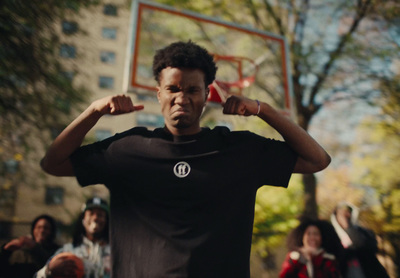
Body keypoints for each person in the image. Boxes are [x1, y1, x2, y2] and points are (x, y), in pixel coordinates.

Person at [40, 40, 331, 277]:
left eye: (192, 90)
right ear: (159, 94)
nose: (182, 98)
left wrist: (262, 109)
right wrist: (94, 111)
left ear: (207, 95)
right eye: (173, 89)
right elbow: (52, 163)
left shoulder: (238, 149)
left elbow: (317, 160)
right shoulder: (127, 149)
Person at [35, 197, 111, 278]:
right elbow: (37, 276)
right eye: (91, 213)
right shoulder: (67, 250)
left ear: (106, 221)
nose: (95, 218)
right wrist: (49, 270)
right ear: (83, 219)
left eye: (100, 215)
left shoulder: (115, 252)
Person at [331, 202, 389, 278]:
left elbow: (365, 246)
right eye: (341, 213)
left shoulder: (365, 232)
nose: (344, 216)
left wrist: (348, 228)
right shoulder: (331, 235)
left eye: (347, 212)